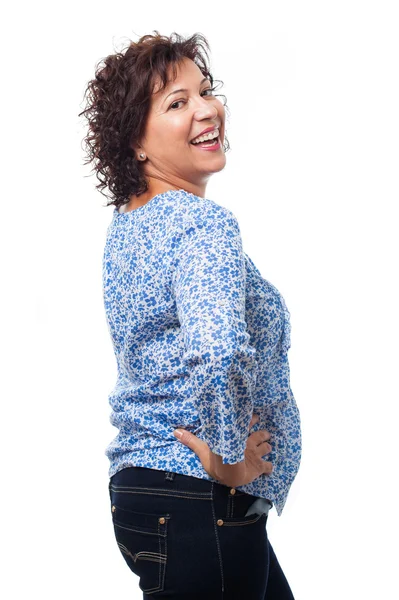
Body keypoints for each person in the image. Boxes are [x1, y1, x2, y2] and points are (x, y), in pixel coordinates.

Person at [79, 30, 302, 599]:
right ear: (136, 143)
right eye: (177, 103)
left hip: (143, 492)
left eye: (206, 91)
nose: (207, 110)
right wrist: (229, 460)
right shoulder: (203, 225)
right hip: (199, 497)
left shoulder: (129, 226)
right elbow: (219, 348)